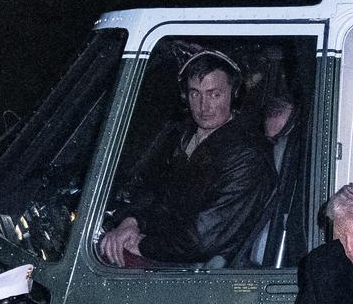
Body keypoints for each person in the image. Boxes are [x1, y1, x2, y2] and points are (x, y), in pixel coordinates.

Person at [98, 50, 273, 266]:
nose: (203, 106)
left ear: (234, 94)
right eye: (195, 94)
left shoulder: (246, 156)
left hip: (200, 268)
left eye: (214, 94)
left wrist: (143, 245)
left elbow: (202, 239)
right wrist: (131, 222)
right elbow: (159, 198)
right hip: (173, 252)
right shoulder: (185, 137)